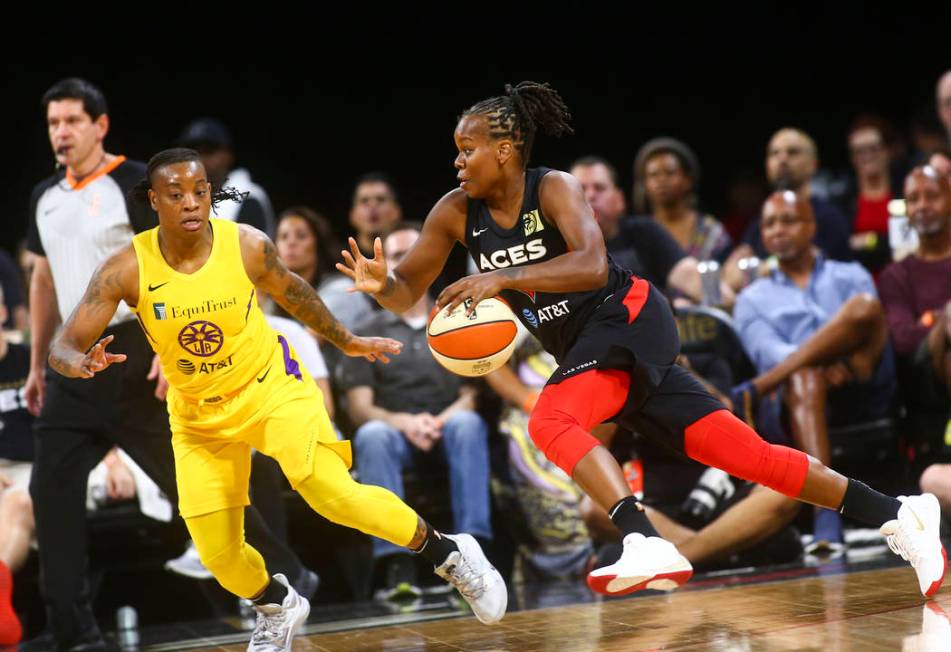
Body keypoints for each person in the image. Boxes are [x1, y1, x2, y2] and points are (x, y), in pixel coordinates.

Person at [338, 80, 946, 599]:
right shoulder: (453, 211)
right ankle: (900, 514)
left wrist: (502, 276)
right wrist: (380, 284)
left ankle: (643, 540)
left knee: (549, 421)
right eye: (456, 152)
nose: (458, 161)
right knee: (751, 458)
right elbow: (407, 289)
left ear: (505, 149)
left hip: (626, 314)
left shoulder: (553, 188)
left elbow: (592, 266)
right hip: (590, 347)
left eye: (467, 149)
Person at [47, 148, 507, 650]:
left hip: (271, 389)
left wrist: (346, 341)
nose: (190, 203)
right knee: (218, 555)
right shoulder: (126, 266)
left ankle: (449, 554)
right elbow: (63, 344)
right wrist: (77, 361)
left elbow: (296, 294)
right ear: (154, 200)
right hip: (198, 416)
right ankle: (275, 604)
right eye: (175, 195)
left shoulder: (245, 244)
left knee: (331, 494)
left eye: (200, 191)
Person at [25, 78, 315, 652]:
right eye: (53, 123)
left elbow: (177, 263)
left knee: (193, 489)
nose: (60, 132)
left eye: (71, 122)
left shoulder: (136, 184)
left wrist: (166, 349)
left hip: (137, 352)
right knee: (48, 490)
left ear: (99, 126)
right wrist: (40, 363)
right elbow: (41, 276)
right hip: (76, 358)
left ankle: (287, 577)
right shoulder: (44, 195)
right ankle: (72, 632)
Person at [732, 191, 895, 553]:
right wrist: (822, 363)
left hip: (861, 380)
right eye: (770, 224)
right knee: (802, 377)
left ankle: (756, 388)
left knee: (864, 307)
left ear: (811, 226)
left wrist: (841, 362)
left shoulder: (851, 274)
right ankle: (827, 513)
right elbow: (772, 355)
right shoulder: (750, 298)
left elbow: (871, 331)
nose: (778, 230)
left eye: (788, 220)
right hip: (793, 399)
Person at [341, 223, 492, 602]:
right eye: (395, 256)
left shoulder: (457, 318)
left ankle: (477, 550)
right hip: (394, 431)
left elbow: (471, 394)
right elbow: (360, 407)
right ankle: (397, 561)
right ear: (383, 265)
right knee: (372, 435)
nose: (405, 263)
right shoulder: (364, 329)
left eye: (414, 254)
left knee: (469, 423)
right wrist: (407, 423)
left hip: (448, 424)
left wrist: (437, 421)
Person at [878, 167, 951, 509]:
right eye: (914, 199)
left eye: (932, 196)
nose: (922, 206)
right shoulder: (896, 274)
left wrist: (933, 316)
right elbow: (904, 339)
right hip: (924, 380)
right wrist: (943, 320)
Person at [632, 138, 733, 264]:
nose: (661, 180)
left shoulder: (711, 232)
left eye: (669, 173)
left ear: (687, 180)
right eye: (653, 175)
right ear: (644, 184)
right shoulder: (637, 235)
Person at [177, 117, 275, 235]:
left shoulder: (248, 197)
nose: (201, 160)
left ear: (228, 156)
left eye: (208, 151)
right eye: (193, 153)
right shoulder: (184, 200)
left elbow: (252, 252)